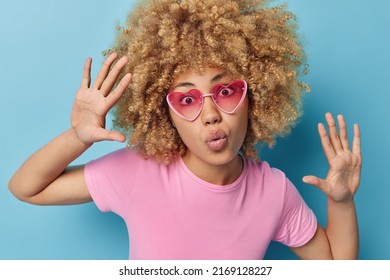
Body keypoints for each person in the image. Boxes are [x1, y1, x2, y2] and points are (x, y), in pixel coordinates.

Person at [8, 0, 362, 259]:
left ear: (255, 96)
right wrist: (78, 138)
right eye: (187, 100)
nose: (210, 115)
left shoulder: (274, 192)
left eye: (225, 92)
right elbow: (26, 188)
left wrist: (342, 202)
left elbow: (336, 269)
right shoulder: (139, 172)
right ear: (166, 114)